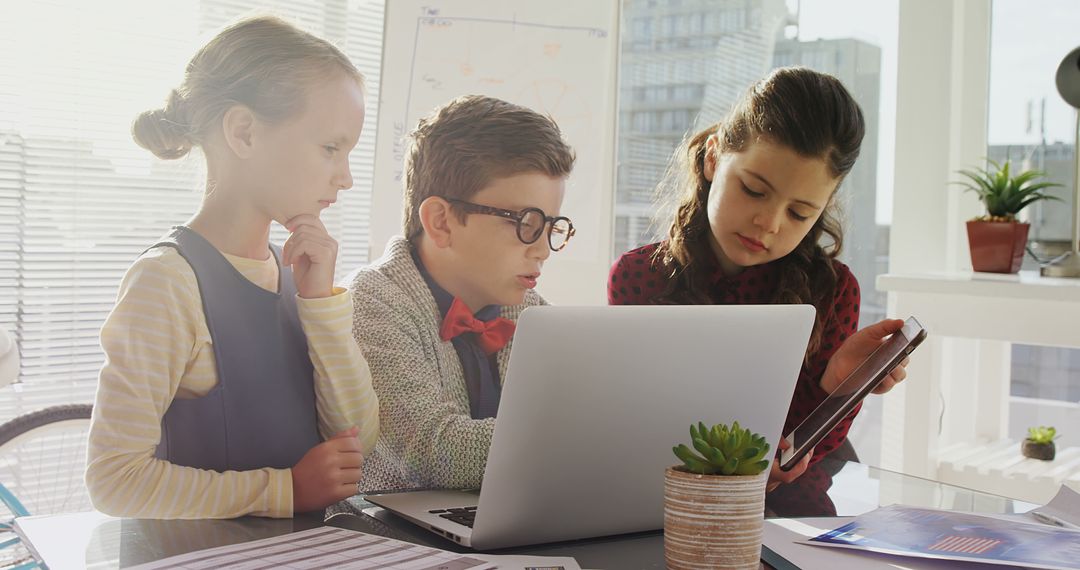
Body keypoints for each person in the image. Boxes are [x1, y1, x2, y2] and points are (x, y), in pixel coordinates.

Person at [86, 15, 379, 519]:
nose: (346, 178)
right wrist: (283, 491)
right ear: (243, 132)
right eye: (331, 148)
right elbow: (114, 480)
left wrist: (320, 304)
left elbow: (356, 443)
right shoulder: (167, 283)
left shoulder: (293, 275)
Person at [609, 67, 907, 489]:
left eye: (800, 213)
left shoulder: (833, 289)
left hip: (788, 512)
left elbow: (798, 454)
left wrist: (837, 384)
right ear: (713, 157)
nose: (767, 223)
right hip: (669, 499)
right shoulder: (641, 277)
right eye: (753, 189)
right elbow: (637, 427)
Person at [347, 94, 576, 491]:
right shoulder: (372, 302)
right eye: (526, 222)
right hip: (392, 534)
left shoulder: (534, 314)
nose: (542, 249)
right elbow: (434, 450)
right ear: (441, 222)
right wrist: (581, 438)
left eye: (552, 227)